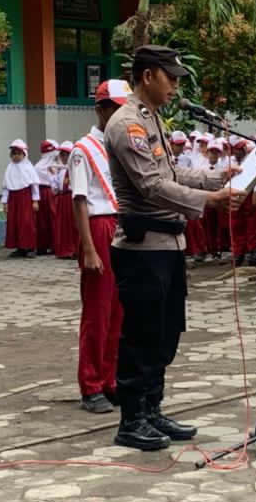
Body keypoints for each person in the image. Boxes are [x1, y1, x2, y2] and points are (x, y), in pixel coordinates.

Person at [104, 45, 244, 451]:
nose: (176, 85)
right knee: (142, 335)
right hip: (142, 246)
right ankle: (131, 419)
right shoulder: (127, 123)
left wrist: (216, 178)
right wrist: (211, 202)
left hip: (167, 244)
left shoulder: (151, 119)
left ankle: (152, 409)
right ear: (148, 75)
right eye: (171, 77)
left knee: (165, 334)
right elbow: (150, 186)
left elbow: (173, 171)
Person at [70, 79, 129, 413]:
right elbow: (79, 201)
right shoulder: (84, 149)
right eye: (117, 109)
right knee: (98, 312)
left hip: (120, 228)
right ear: (101, 109)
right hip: (98, 227)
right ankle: (91, 384)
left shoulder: (119, 145)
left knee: (119, 311)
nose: (122, 116)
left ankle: (111, 380)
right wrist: (89, 248)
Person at [1, 139, 40, 257]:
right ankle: (19, 247)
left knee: (26, 222)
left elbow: (34, 185)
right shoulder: (9, 168)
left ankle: (29, 247)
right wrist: (5, 202)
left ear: (24, 154)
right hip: (13, 199)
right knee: (15, 223)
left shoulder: (29, 168)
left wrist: (35, 200)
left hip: (25, 198)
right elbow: (6, 186)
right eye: (13, 154)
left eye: (18, 153)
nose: (16, 156)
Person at [34, 139, 58, 255]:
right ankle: (45, 245)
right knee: (44, 220)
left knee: (51, 219)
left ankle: (52, 244)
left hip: (50, 193)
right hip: (45, 193)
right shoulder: (39, 167)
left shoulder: (55, 165)